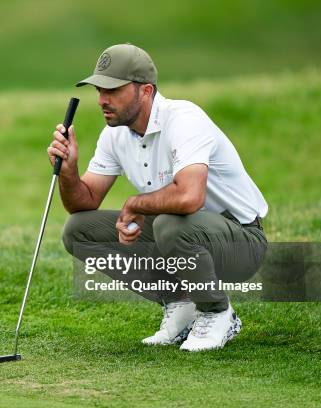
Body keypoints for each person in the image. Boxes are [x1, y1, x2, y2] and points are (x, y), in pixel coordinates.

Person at [48, 43, 268, 351]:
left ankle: (217, 313)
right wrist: (69, 170)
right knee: (78, 231)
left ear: (146, 91)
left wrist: (135, 204)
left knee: (168, 224)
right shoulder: (114, 134)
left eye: (112, 91)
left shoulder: (184, 119)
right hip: (182, 235)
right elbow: (83, 203)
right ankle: (180, 304)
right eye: (99, 90)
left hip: (240, 240)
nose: (101, 100)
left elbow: (190, 197)